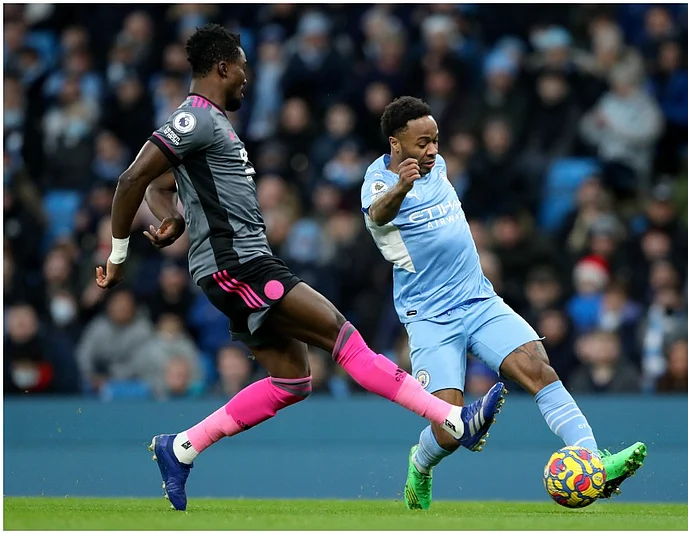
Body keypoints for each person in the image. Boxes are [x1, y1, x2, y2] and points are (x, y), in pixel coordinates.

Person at [94, 24, 506, 512]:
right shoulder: (194, 118)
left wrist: (172, 218)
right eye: (242, 67)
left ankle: (181, 447)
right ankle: (454, 420)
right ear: (222, 68)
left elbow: (159, 184)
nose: (247, 77)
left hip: (241, 265)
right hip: (238, 266)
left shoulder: (212, 124)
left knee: (293, 381)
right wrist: (118, 256)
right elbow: (132, 179)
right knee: (345, 340)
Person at [361, 96, 647, 511]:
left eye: (436, 140)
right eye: (422, 143)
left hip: (478, 299)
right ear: (395, 143)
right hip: (430, 317)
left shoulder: (435, 166)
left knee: (539, 368)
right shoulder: (379, 181)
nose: (433, 150)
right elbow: (377, 215)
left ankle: (592, 460)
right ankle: (420, 464)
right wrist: (401, 187)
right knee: (450, 425)